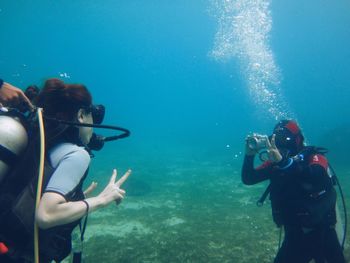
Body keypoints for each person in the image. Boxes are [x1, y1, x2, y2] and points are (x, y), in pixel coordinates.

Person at [0, 78, 131, 262]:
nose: (93, 127)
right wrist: (102, 199)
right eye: (92, 115)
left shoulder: (41, 144)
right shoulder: (78, 154)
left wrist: (72, 199)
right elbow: (46, 215)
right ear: (80, 116)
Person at [241, 120, 346, 263]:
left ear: (298, 139)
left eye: (287, 139)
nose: (282, 143)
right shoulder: (275, 162)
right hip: (294, 234)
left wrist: (284, 163)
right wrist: (249, 155)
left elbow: (317, 175)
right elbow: (249, 178)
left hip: (322, 232)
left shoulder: (313, 157)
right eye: (278, 139)